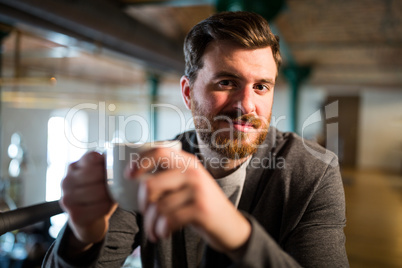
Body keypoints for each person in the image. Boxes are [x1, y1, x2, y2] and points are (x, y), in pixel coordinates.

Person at [43, 11, 348, 268]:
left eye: (261, 87)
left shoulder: (314, 171)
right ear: (189, 93)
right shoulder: (152, 165)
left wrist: (236, 233)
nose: (246, 105)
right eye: (226, 82)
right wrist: (82, 237)